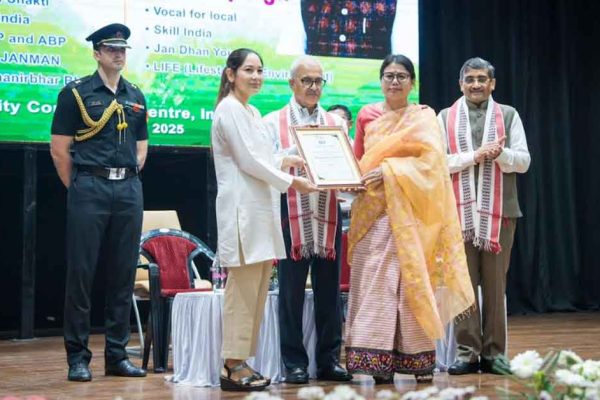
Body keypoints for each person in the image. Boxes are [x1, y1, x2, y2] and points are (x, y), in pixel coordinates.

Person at [345, 54, 475, 384]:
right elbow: (358, 161)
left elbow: (433, 165)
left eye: (401, 76)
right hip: (372, 212)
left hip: (411, 215)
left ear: (412, 82)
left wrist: (389, 171)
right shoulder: (367, 115)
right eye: (389, 75)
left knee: (410, 285)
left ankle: (416, 360)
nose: (394, 81)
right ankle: (376, 362)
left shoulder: (424, 117)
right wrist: (351, 178)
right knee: (375, 285)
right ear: (380, 80)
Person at [211, 48, 317, 392]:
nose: (256, 76)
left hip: (260, 212)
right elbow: (248, 162)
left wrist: (287, 159)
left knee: (257, 291)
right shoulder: (228, 109)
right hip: (241, 212)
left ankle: (242, 361)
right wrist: (292, 182)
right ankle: (231, 365)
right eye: (248, 70)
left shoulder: (252, 111)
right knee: (241, 293)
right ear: (231, 75)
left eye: (260, 70)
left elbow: (264, 156)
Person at [50, 23, 148, 382]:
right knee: (82, 274)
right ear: (96, 53)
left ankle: (117, 356)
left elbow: (141, 148)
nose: (118, 54)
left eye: (122, 49)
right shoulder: (75, 93)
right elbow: (60, 150)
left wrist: (124, 179)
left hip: (128, 190)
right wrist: (81, 187)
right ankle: (77, 358)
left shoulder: (135, 94)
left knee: (122, 274)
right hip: (90, 187)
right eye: (111, 49)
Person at [438, 57, 531, 375]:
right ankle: (467, 353)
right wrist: (474, 156)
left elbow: (524, 161)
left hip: (500, 214)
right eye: (470, 79)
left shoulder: (509, 114)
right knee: (461, 285)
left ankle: (494, 354)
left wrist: (500, 154)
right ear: (460, 84)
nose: (476, 84)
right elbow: (438, 163)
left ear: (492, 84)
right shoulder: (445, 117)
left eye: (482, 79)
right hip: (457, 215)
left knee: (494, 286)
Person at [263, 56, 352, 384]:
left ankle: (329, 360)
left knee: (330, 292)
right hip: (291, 214)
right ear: (292, 83)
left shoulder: (336, 123)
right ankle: (294, 363)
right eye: (306, 81)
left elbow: (346, 162)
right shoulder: (272, 122)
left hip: (328, 212)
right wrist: (291, 154)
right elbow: (266, 164)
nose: (314, 87)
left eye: (318, 81)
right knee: (291, 293)